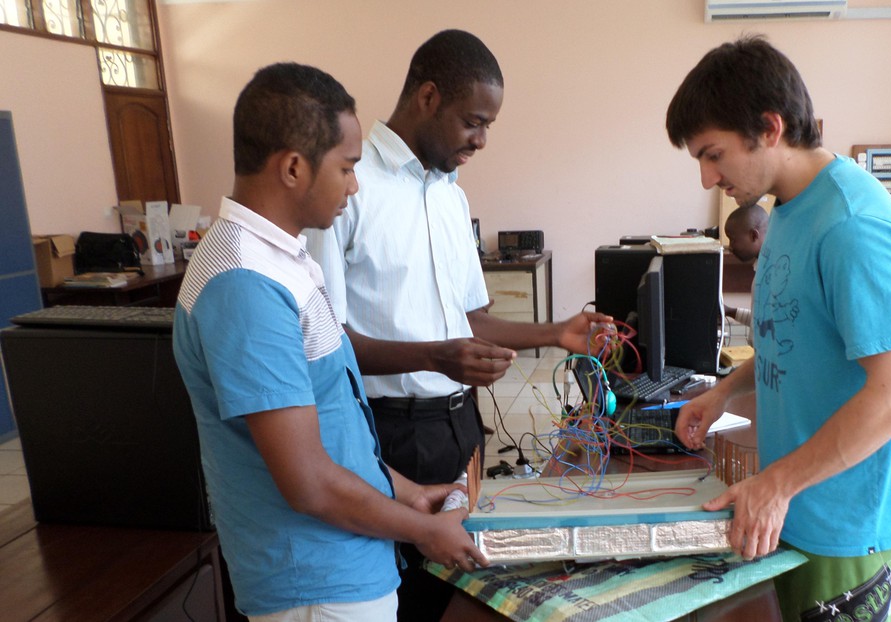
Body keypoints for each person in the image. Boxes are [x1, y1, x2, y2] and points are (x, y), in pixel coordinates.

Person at [305, 30, 609, 621]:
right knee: (403, 599)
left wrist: (555, 333)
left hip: (458, 428)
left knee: (465, 595)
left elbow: (470, 319)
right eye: (474, 121)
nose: (482, 140)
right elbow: (328, 345)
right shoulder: (347, 186)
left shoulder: (448, 193)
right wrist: (433, 357)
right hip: (388, 436)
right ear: (427, 97)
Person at [172, 62, 487, 620]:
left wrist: (409, 492)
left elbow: (334, 429)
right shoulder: (244, 284)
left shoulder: (282, 260)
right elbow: (309, 482)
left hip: (345, 567)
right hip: (313, 587)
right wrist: (423, 530)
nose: (355, 184)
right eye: (346, 168)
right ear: (294, 168)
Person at [666, 35, 891, 621]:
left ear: (768, 128)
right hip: (796, 503)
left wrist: (777, 483)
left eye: (714, 154)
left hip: (848, 520)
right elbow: (796, 336)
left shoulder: (852, 227)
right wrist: (723, 390)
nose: (708, 179)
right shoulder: (786, 208)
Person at [722, 203, 768, 326]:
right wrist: (730, 311)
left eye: (733, 239)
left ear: (754, 235)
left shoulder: (773, 275)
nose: (730, 247)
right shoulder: (761, 267)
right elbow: (759, 322)